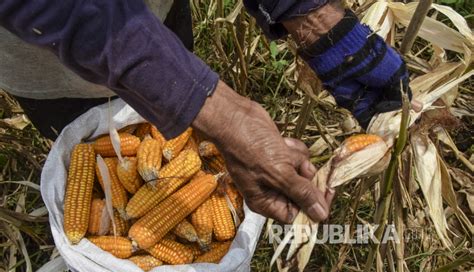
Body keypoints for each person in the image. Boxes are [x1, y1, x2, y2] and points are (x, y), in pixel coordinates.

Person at [0, 0, 410, 224]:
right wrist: (224, 114)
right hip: (40, 41)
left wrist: (314, 19)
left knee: (172, 130)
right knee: (86, 145)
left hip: (151, 14)